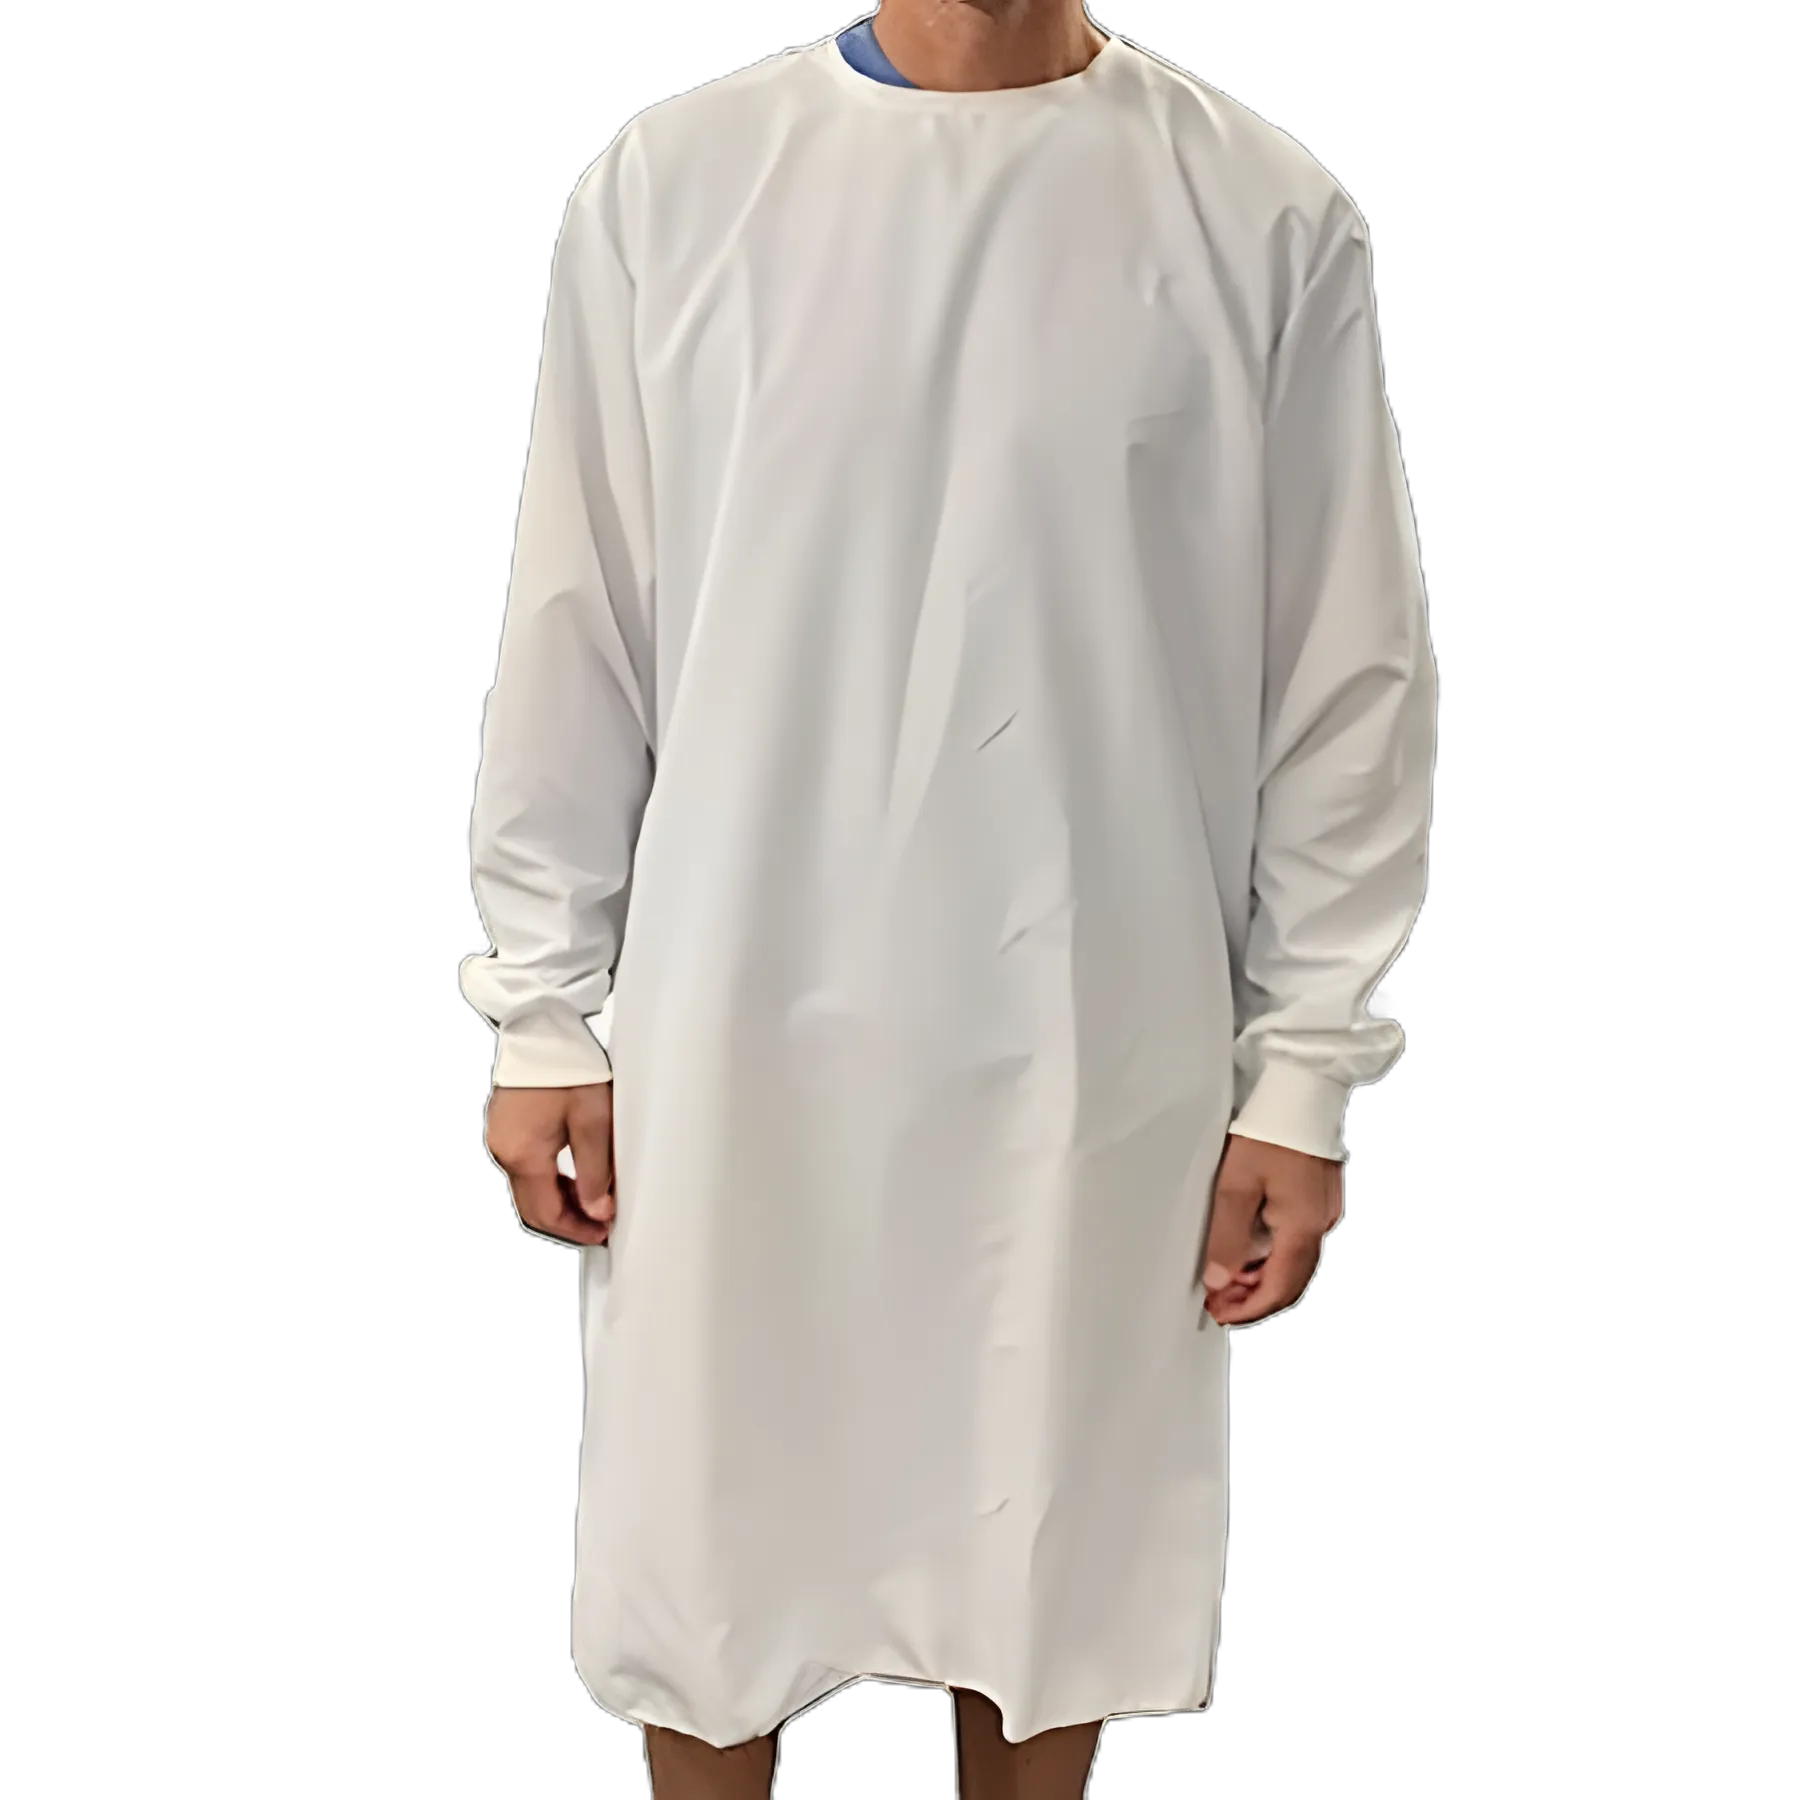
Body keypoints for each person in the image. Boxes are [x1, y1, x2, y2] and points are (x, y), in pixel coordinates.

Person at [459, 2, 1436, 1794]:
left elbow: (1343, 678)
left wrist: (1302, 1068)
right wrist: (543, 1003)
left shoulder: (1258, 211)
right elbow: (581, 618)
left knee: (1040, 1559)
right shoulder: (678, 186)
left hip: (1089, 1015)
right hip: (740, 1010)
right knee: (716, 1545)